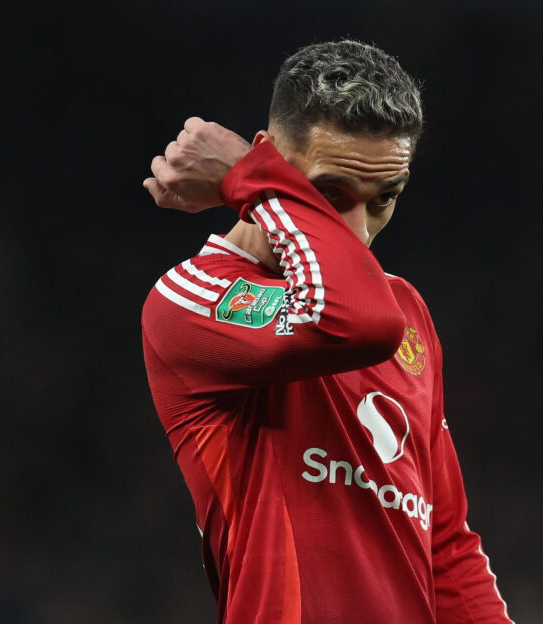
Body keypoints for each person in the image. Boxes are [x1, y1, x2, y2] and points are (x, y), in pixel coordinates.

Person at [141, 40, 512, 624]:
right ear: (267, 162)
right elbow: (352, 321)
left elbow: (445, 545)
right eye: (331, 194)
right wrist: (248, 176)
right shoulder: (191, 300)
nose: (359, 232)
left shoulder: (405, 309)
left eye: (384, 200)